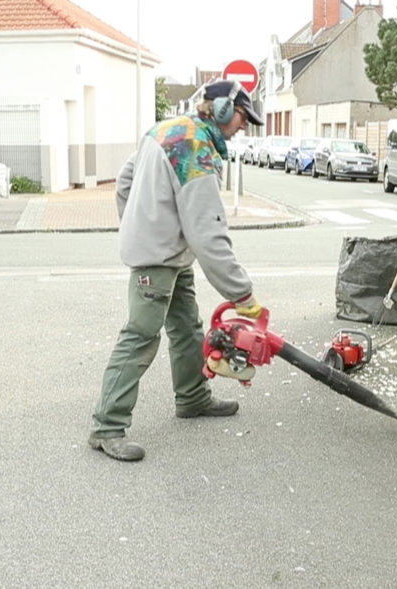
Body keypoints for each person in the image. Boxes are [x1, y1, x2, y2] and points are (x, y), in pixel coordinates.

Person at [89, 80, 265, 462]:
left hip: (171, 253)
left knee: (187, 328)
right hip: (158, 258)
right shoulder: (195, 148)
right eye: (241, 116)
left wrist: (138, 225)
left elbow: (123, 184)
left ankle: (193, 397)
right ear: (220, 109)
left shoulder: (163, 130)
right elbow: (207, 234)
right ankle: (107, 427)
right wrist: (242, 295)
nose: (244, 125)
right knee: (140, 336)